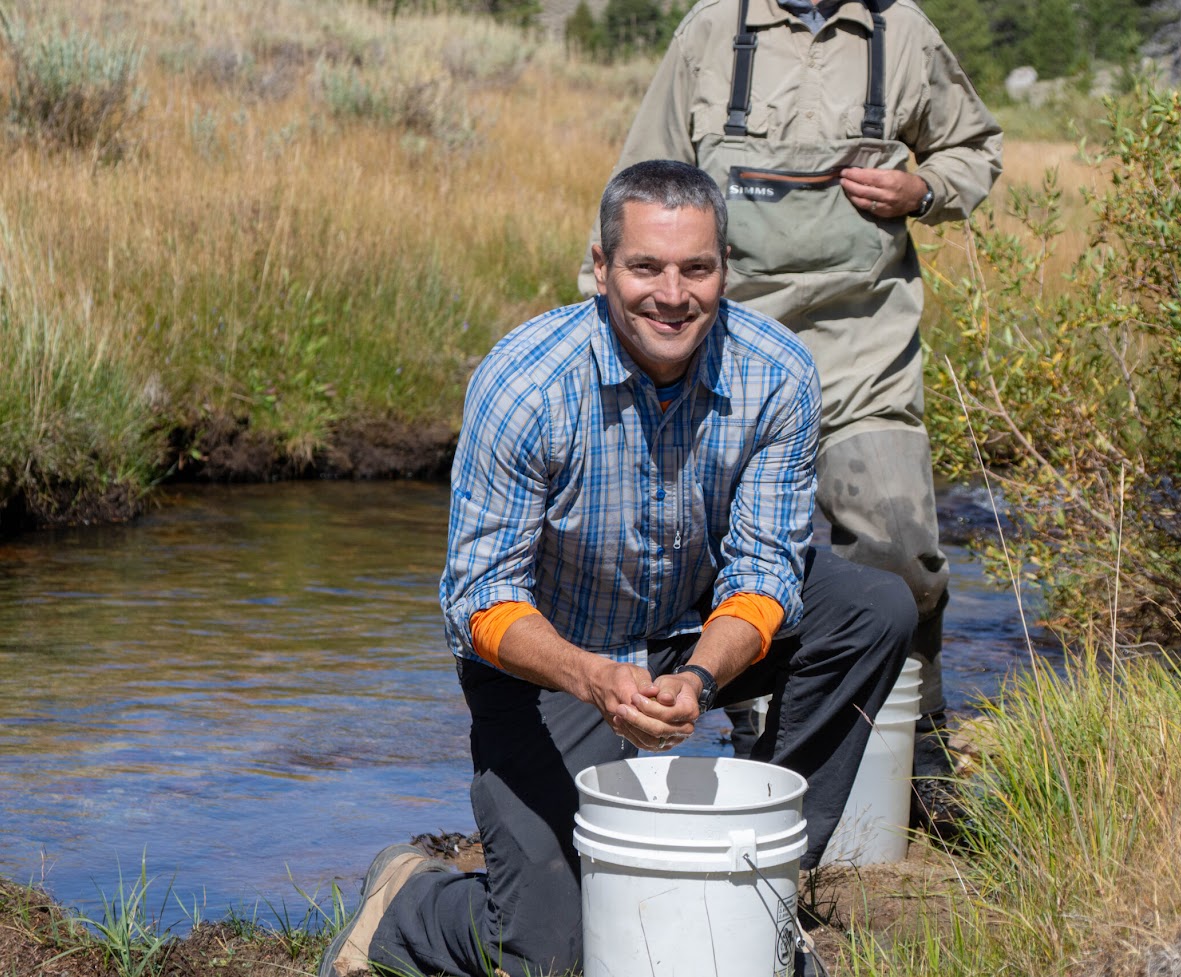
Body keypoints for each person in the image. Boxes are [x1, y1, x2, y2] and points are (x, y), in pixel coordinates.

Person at [319, 159, 914, 977]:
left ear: (724, 269)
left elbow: (768, 566)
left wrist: (702, 677)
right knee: (550, 953)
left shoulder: (778, 372)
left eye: (696, 268)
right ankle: (408, 902)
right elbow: (477, 601)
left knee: (874, 605)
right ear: (600, 268)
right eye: (645, 267)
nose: (673, 295)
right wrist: (594, 679)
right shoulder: (526, 384)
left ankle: (764, 877)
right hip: (547, 665)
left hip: (691, 631)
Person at [578, 0, 1003, 772]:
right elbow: (637, 183)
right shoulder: (711, 31)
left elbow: (975, 149)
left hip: (861, 346)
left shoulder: (901, 31)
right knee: (720, 557)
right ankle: (757, 740)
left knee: (904, 554)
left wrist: (923, 193)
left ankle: (923, 738)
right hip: (723, 351)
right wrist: (603, 317)